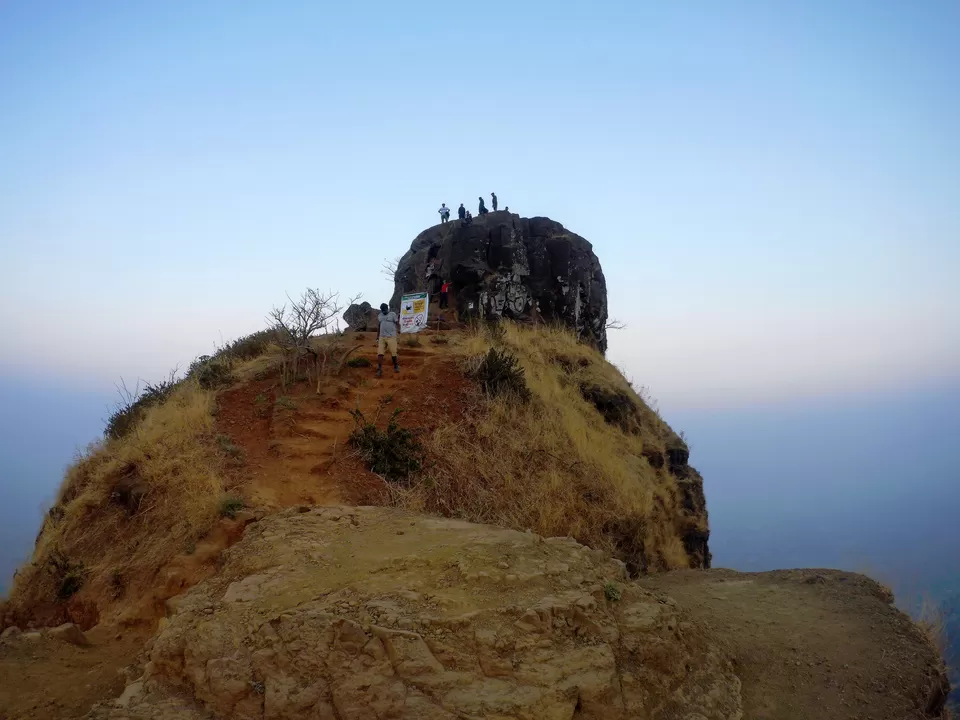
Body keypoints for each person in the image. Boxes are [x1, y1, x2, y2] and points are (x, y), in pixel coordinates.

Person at [375, 303, 399, 377]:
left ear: (387, 308)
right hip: (382, 337)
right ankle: (379, 369)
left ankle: (395, 366)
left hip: (391, 337)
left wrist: (399, 330)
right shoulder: (380, 316)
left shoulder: (393, 314)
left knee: (393, 352)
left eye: (385, 310)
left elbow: (397, 323)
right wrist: (377, 336)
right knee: (380, 353)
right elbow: (379, 326)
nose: (384, 312)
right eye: (382, 311)